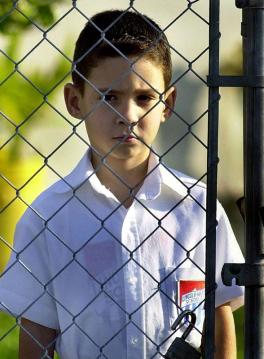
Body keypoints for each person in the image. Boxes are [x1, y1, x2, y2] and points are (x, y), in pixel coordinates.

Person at [0, 9, 244, 359]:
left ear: (168, 104)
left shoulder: (199, 210)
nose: (128, 115)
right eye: (108, 97)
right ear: (75, 101)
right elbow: (36, 338)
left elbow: (220, 318)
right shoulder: (48, 219)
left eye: (144, 98)